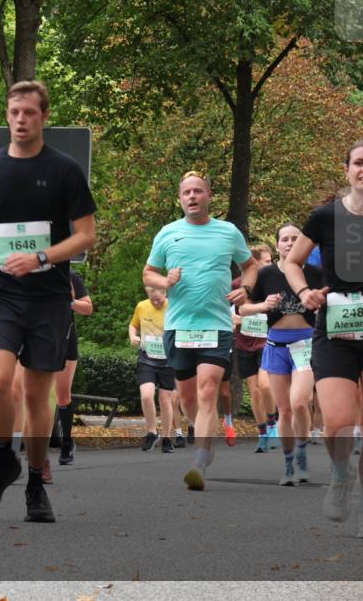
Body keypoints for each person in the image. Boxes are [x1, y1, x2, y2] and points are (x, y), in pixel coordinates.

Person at [0, 79, 96, 522]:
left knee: (39, 399)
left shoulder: (64, 170)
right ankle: (5, 459)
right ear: (7, 115)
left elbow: (86, 234)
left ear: (44, 117)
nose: (21, 120)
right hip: (2, 297)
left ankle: (37, 485)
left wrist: (41, 256)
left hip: (49, 299)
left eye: (30, 113)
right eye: (14, 112)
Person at [284, 139, 363, 539]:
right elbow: (293, 261)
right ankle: (341, 475)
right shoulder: (325, 216)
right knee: (337, 423)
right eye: (359, 163)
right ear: (348, 170)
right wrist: (304, 293)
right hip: (334, 324)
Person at [143, 170, 258, 491]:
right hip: (178, 326)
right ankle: (204, 434)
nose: (192, 196)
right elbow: (148, 273)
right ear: (180, 199)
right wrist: (164, 281)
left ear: (209, 196)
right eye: (186, 193)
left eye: (198, 191)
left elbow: (251, 266)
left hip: (216, 325)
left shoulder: (228, 232)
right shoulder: (167, 233)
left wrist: (246, 288)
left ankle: (200, 458)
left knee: (208, 391)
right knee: (187, 398)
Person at [241, 223, 324, 485]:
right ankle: (289, 463)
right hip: (276, 346)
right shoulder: (265, 275)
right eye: (285, 239)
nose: (289, 243)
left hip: (305, 344)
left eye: (295, 239)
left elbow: (328, 304)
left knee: (300, 401)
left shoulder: (313, 273)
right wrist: (263, 305)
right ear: (277, 245)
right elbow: (242, 309)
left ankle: (301, 452)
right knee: (284, 410)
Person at [229, 244, 277, 451]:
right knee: (255, 391)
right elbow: (227, 309)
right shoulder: (238, 284)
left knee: (266, 386)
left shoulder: (273, 282)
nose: (271, 264)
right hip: (245, 342)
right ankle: (263, 432)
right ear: (254, 263)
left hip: (267, 341)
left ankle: (274, 423)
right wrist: (232, 318)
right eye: (267, 261)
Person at [53, 268, 94, 467]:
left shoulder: (70, 275)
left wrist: (70, 301)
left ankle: (66, 441)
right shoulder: (31, 272)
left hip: (65, 338)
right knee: (35, 395)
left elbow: (88, 308)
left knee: (62, 395)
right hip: (37, 337)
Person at [129, 286, 176, 453]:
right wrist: (133, 336)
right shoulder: (142, 306)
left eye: (159, 299)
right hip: (147, 358)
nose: (155, 302)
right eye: (152, 298)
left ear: (165, 293)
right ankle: (151, 432)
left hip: (168, 361)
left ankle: (167, 438)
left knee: (165, 400)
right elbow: (133, 325)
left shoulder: (174, 306)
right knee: (147, 395)